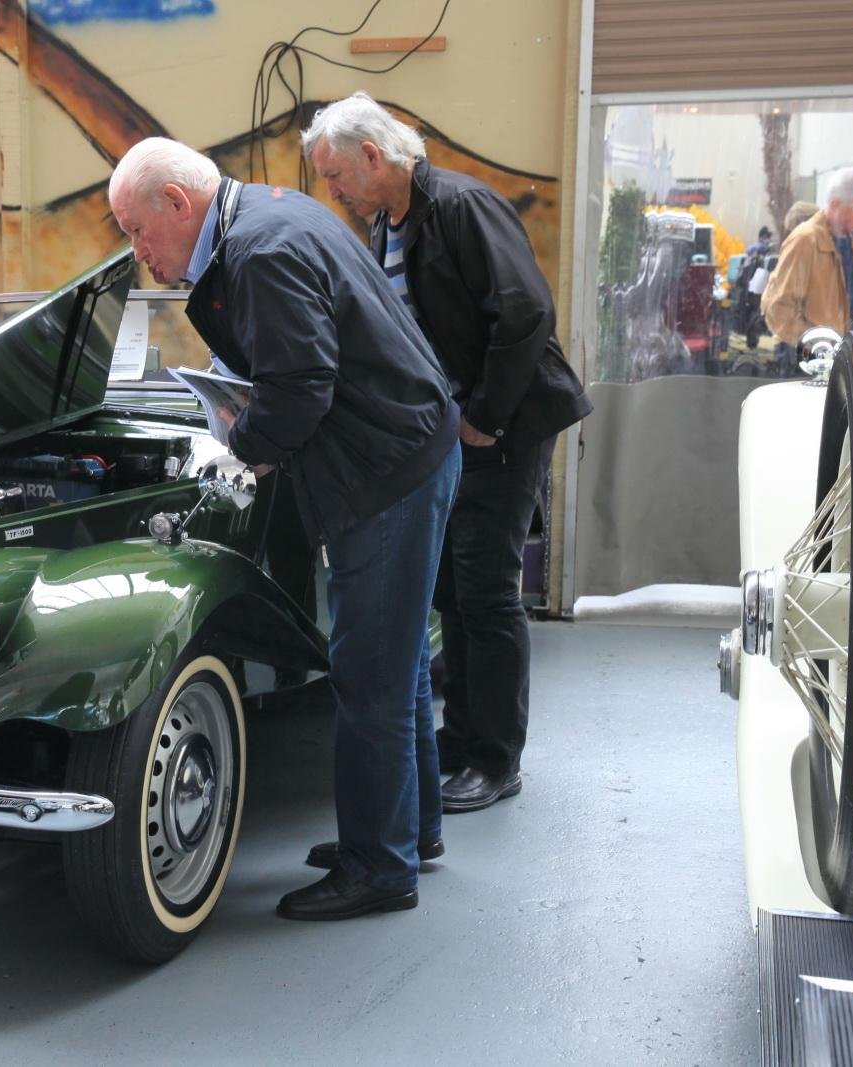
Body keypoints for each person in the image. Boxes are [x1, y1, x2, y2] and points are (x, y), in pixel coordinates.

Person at [108, 137, 460, 921]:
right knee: (395, 660)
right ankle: (410, 830)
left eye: (137, 230)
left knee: (368, 671)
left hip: (386, 469)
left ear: (178, 203)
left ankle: (380, 865)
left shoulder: (260, 251)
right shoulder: (266, 216)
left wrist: (237, 448)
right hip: (407, 448)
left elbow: (300, 386)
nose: (138, 251)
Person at [300, 92, 591, 816]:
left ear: (374, 157)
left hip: (506, 422)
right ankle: (463, 740)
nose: (331, 192)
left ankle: (495, 760)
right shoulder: (389, 222)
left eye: (335, 175)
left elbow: (525, 311)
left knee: (486, 590)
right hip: (458, 427)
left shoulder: (461, 206)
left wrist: (483, 416)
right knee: (455, 592)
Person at [762, 168, 853, 373]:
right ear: (835, 205)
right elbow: (778, 308)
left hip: (837, 362)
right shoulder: (805, 240)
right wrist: (819, 348)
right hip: (803, 362)